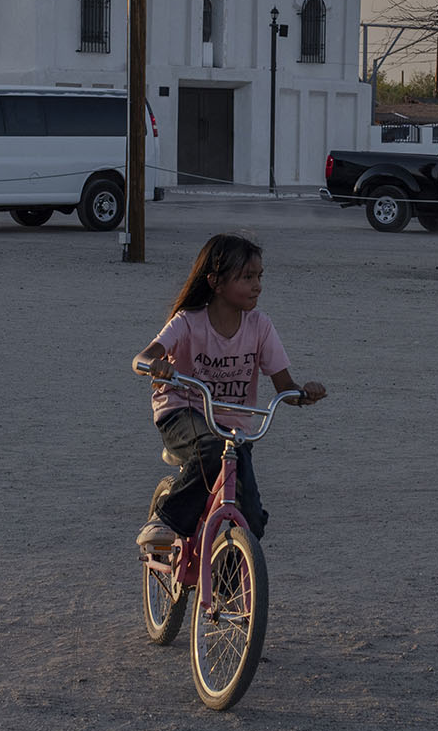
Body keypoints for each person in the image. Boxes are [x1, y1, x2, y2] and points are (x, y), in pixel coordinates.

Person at [133, 233, 325, 548]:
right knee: (210, 449)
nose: (257, 285)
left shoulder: (260, 326)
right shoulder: (188, 322)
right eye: (246, 277)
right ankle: (165, 519)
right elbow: (144, 356)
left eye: (259, 276)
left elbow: (285, 386)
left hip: (234, 427)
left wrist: (304, 393)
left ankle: (227, 591)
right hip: (183, 411)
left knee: (251, 517)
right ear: (215, 282)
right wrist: (157, 365)